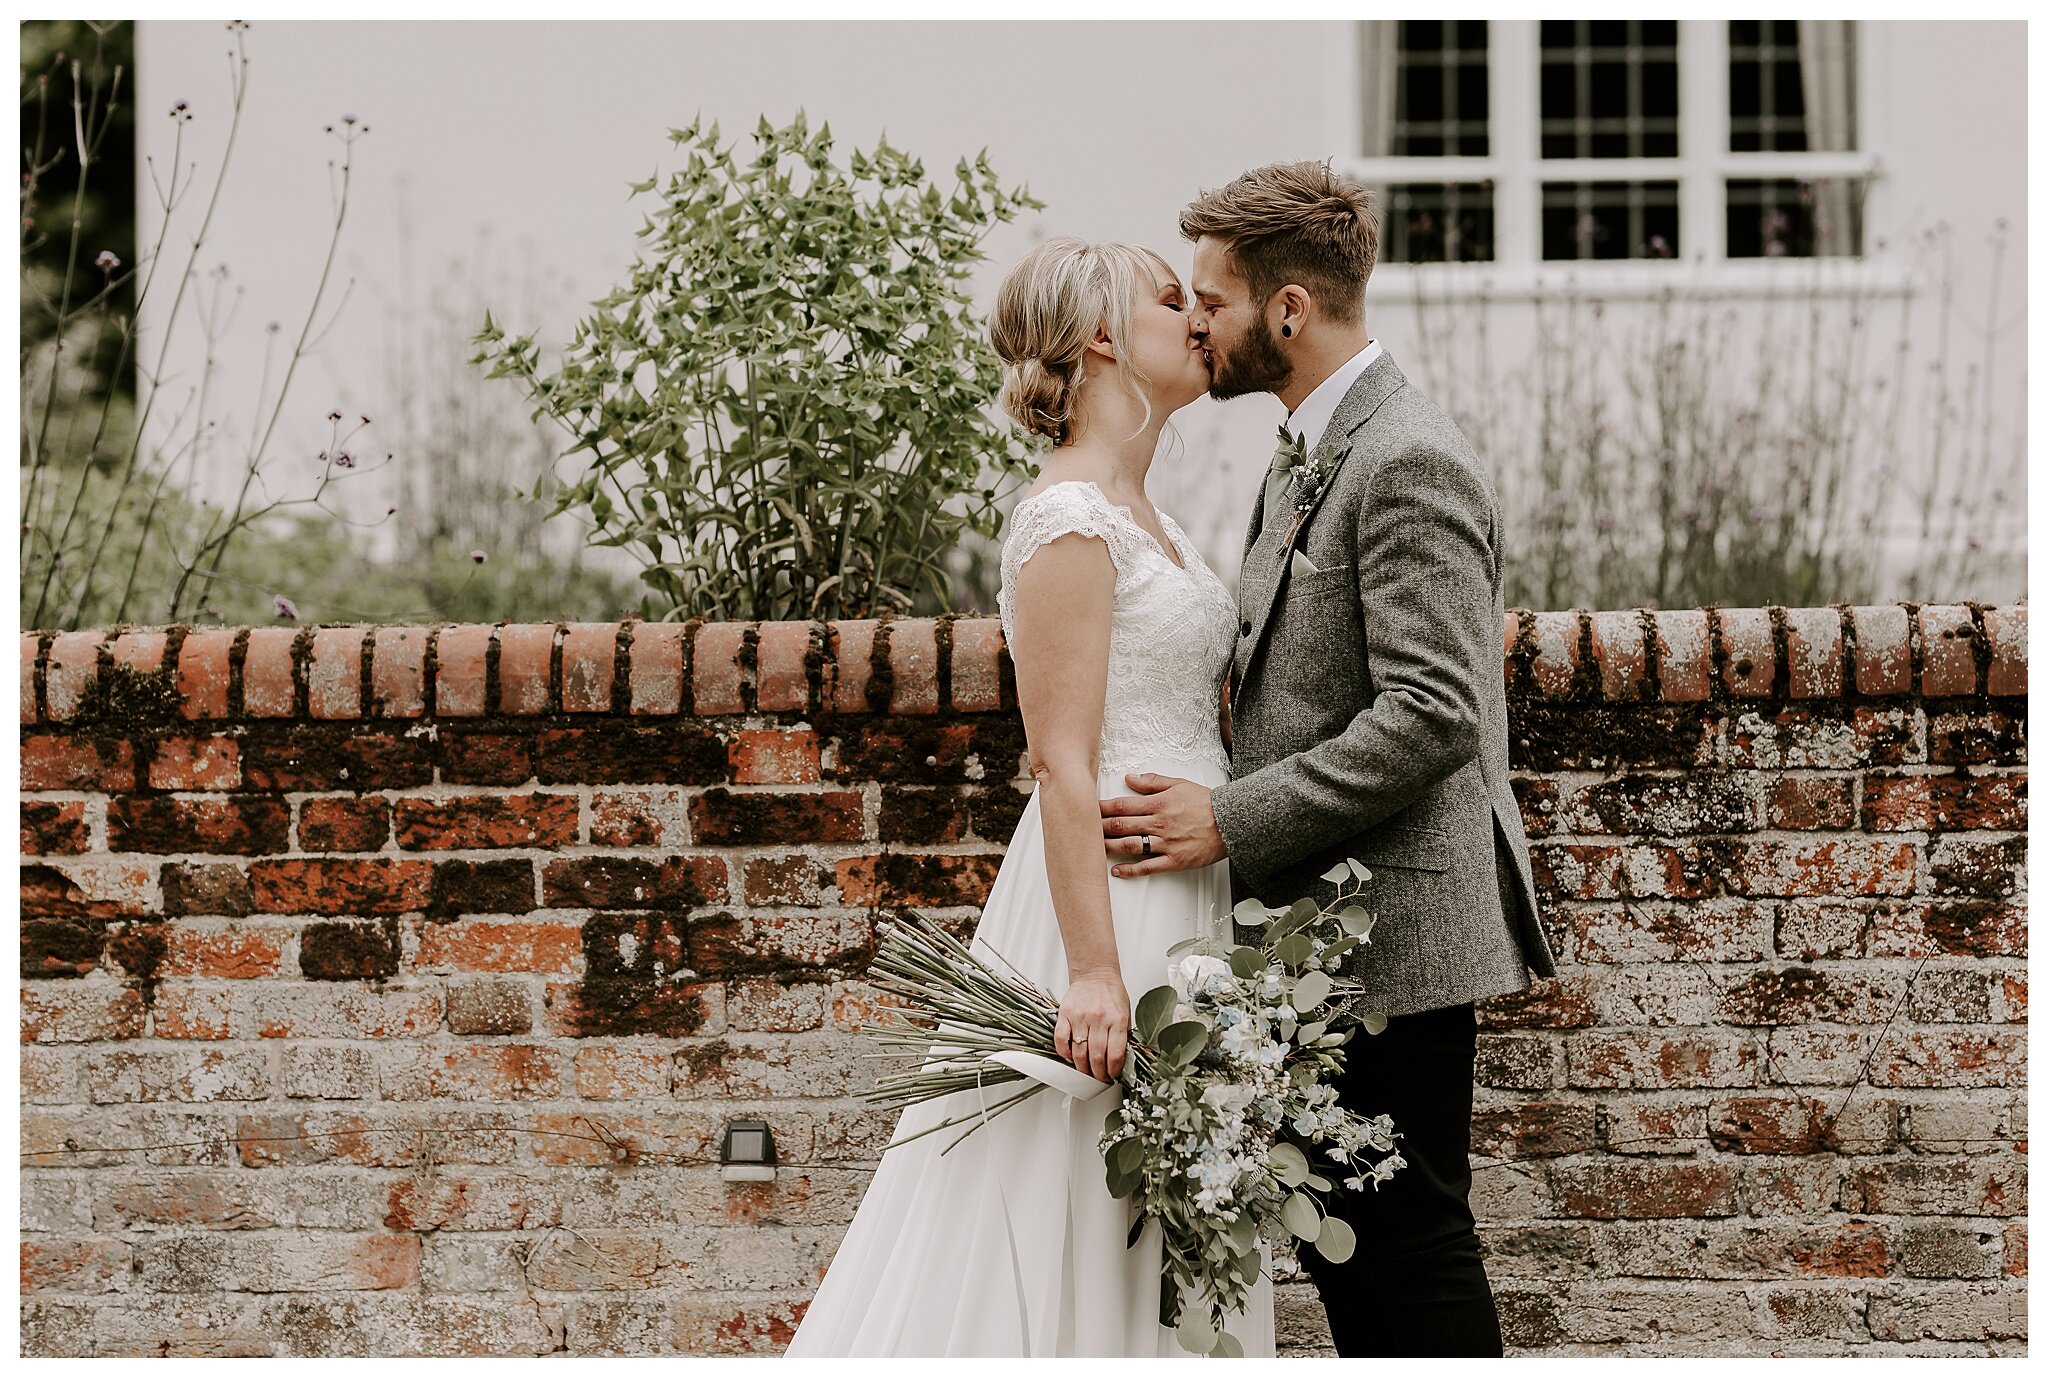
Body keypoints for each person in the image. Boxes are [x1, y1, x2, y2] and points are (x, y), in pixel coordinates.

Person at [1095, 161, 1559, 1358]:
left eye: (1213, 299)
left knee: (1407, 1246)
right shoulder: (1308, 444)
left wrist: (1229, 819)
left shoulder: (1404, 456)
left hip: (1392, 925)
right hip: (1327, 926)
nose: (1196, 321)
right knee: (1361, 1243)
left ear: (1286, 311)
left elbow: (1433, 711)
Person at [785, 237, 1273, 1357]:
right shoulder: (1066, 521)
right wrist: (1094, 973)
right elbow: (1060, 758)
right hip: (1105, 905)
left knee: (1173, 1218)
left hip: (1186, 897)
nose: (1196, 318)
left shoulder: (1151, 519)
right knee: (1074, 1209)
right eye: (1167, 300)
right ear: (1102, 337)